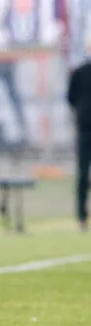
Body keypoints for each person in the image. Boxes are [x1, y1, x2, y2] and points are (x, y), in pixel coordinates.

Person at [67, 53, 91, 233]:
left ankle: (82, 218)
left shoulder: (78, 71)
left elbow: (70, 99)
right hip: (84, 127)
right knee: (82, 174)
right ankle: (82, 217)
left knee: (83, 173)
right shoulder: (79, 72)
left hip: (84, 126)